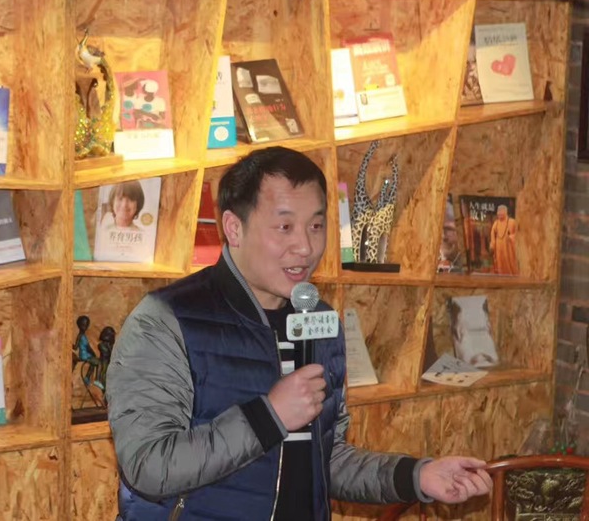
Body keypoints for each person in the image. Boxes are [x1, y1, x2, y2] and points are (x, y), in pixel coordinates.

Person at [106, 146, 492, 521]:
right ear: (234, 228)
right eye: (285, 227)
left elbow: (324, 459)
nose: (306, 247)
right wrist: (268, 416)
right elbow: (148, 466)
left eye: (316, 226)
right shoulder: (165, 320)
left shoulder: (319, 322)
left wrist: (416, 476)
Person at [489, 204, 518, 275]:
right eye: (498, 212)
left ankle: (512, 276)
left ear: (505, 212)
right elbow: (492, 234)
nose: (499, 214)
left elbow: (518, 234)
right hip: (498, 247)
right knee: (499, 263)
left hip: (508, 247)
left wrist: (511, 237)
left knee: (509, 262)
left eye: (501, 212)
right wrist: (492, 244)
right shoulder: (496, 223)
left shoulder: (512, 222)